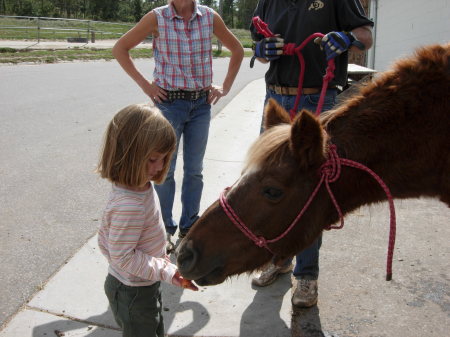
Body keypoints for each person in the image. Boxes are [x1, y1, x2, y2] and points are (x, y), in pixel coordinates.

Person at [249, 0, 373, 308]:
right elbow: (257, 39)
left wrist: (349, 39)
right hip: (276, 99)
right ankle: (278, 260)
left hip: (319, 97)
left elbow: (366, 34)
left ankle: (306, 275)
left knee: (311, 190)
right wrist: (261, 50)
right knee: (271, 184)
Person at [112, 0, 244, 249]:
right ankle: (163, 230)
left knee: (194, 170)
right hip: (169, 104)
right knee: (164, 170)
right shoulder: (157, 17)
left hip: (200, 106)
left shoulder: (209, 16)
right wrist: (145, 85)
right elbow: (120, 48)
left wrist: (224, 86)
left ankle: (189, 227)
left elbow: (237, 50)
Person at [97, 104, 198, 337]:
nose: (161, 166)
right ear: (127, 154)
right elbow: (121, 255)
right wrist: (165, 270)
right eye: (153, 159)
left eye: (165, 158)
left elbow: (106, 240)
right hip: (133, 292)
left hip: (140, 282)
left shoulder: (138, 185)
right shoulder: (129, 204)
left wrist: (159, 267)